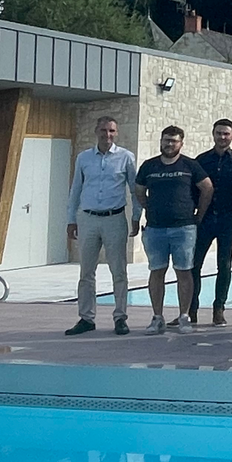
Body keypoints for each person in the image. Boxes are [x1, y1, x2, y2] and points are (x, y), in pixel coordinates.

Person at [65, 116, 142, 336]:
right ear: (96, 131)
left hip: (114, 219)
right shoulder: (84, 158)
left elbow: (134, 189)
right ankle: (86, 318)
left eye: (111, 131)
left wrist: (136, 216)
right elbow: (76, 190)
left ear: (116, 133)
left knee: (119, 270)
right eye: (103, 130)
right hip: (88, 219)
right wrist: (71, 219)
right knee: (86, 272)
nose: (107, 134)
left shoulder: (126, 157)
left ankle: (120, 317)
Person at [135, 126, 213, 335]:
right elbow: (139, 191)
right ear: (160, 141)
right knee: (157, 271)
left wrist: (199, 215)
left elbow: (207, 188)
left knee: (184, 272)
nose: (169, 144)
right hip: (155, 228)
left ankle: (184, 316)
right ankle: (157, 317)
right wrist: (149, 207)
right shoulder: (149, 166)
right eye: (166, 140)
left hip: (184, 227)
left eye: (174, 141)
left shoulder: (190, 165)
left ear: (181, 143)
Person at [182, 119, 232, 328]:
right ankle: (191, 309)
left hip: (228, 219)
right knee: (195, 264)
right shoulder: (201, 161)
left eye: (226, 134)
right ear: (213, 134)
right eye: (219, 133)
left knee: (225, 265)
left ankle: (219, 308)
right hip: (205, 218)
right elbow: (194, 189)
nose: (222, 137)